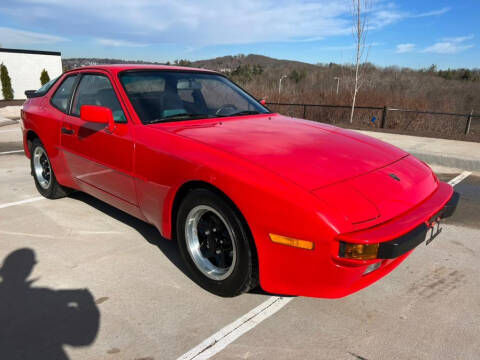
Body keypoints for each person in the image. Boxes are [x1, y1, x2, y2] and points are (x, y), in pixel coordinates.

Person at [0, 248, 100, 360]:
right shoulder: (41, 296)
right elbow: (83, 339)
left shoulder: (41, 295)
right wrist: (88, 305)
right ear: (27, 268)